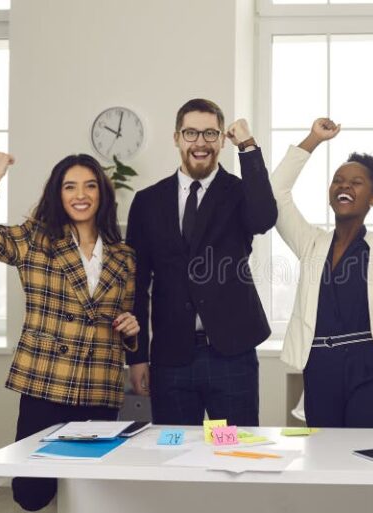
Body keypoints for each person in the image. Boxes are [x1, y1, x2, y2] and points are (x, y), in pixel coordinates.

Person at [0, 152, 139, 511]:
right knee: (31, 492)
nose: (80, 194)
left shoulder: (123, 255)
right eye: (69, 186)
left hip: (98, 382)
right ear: (58, 194)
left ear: (102, 193)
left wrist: (131, 328)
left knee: (91, 488)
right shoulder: (33, 240)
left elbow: (125, 317)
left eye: (89, 185)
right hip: (45, 380)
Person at [126, 98, 277, 426]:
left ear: (223, 139)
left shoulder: (239, 194)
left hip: (231, 356)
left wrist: (248, 147)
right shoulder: (147, 202)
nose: (200, 143)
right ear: (177, 137)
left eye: (210, 134)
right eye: (191, 133)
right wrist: (136, 357)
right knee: (176, 454)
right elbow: (135, 285)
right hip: (171, 359)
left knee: (231, 454)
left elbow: (264, 218)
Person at [271, 118, 373, 427]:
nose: (344, 185)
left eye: (356, 182)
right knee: (326, 461)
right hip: (320, 366)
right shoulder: (311, 242)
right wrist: (313, 139)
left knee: (370, 460)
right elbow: (276, 192)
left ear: (372, 198)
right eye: (338, 180)